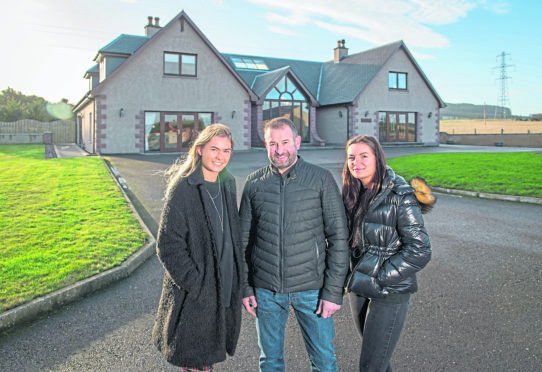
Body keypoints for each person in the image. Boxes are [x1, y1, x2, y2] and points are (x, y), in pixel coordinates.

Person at [239, 117, 350, 372]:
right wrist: (246, 287)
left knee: (323, 361)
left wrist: (333, 292)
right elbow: (242, 240)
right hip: (266, 290)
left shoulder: (320, 179)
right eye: (272, 143)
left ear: (297, 142)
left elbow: (338, 237)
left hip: (312, 290)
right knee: (270, 362)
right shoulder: (254, 184)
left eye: (285, 142)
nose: (279, 150)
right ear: (265, 145)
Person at [152, 124, 243, 372]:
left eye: (226, 150)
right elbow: (168, 246)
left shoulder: (227, 184)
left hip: (222, 289)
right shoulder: (183, 189)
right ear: (200, 149)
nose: (220, 156)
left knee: (208, 361)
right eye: (214, 148)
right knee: (196, 363)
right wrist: (198, 285)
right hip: (197, 295)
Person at [342, 135, 435, 372]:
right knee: (378, 361)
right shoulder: (353, 193)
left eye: (364, 156)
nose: (357, 162)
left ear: (378, 158)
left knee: (371, 365)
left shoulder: (400, 195)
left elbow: (420, 249)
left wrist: (379, 277)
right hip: (361, 288)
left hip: (389, 291)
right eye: (351, 157)